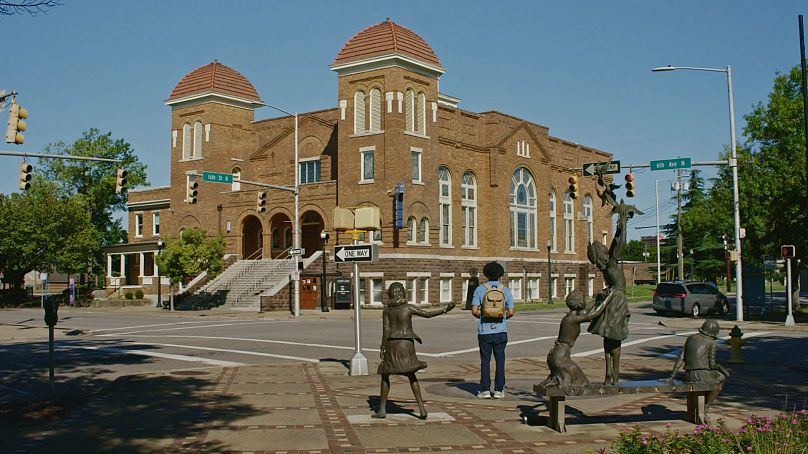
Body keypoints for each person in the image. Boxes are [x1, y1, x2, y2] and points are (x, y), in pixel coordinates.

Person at [374, 282, 455, 419]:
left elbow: (386, 330)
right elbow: (427, 314)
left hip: (392, 343)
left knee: (385, 374)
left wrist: (383, 347)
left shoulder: (387, 310)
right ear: (403, 293)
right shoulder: (408, 308)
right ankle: (421, 408)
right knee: (411, 374)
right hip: (406, 343)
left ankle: (382, 409)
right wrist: (445, 309)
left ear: (390, 294)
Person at [587, 207, 631, 385]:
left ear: (601, 257)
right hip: (611, 298)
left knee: (615, 336)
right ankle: (608, 372)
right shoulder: (605, 268)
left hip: (618, 301)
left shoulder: (612, 263)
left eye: (596, 261)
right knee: (607, 337)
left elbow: (618, 244)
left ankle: (616, 372)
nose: (596, 266)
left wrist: (622, 226)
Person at [538, 289, 614, 394]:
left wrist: (598, 299)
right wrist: (609, 298)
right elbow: (594, 314)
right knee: (581, 382)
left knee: (574, 379)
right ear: (579, 303)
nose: (585, 301)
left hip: (555, 354)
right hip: (561, 356)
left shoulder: (570, 316)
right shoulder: (573, 319)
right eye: (583, 300)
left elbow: (587, 310)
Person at [471, 261, 515, 399]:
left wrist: (484, 316)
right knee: (500, 360)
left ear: (486, 274)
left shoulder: (479, 289)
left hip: (484, 331)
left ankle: (485, 390)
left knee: (485, 360)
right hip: (501, 331)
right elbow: (512, 311)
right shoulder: (505, 290)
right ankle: (499, 390)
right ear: (500, 274)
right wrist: (502, 318)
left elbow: (474, 311)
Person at [669, 319, 730, 407]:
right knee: (720, 380)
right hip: (701, 375)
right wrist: (722, 369)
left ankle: (699, 405)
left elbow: (681, 358)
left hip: (689, 375)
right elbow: (712, 365)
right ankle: (706, 405)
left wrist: (671, 377)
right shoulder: (712, 343)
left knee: (709, 379)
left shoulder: (690, 338)